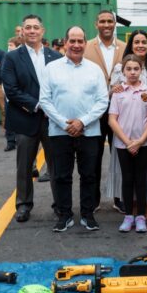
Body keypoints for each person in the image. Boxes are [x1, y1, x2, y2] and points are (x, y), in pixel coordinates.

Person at [39, 26, 108, 232]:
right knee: (61, 175)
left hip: (89, 131)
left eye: (80, 41)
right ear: (65, 42)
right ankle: (65, 215)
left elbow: (102, 101)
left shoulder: (95, 69)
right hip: (60, 132)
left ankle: (87, 215)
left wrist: (82, 122)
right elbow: (45, 100)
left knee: (89, 175)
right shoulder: (51, 68)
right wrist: (65, 123)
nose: (76, 45)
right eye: (72, 41)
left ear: (85, 44)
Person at [1, 14, 62, 223]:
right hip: (25, 119)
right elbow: (11, 89)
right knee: (25, 165)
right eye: (28, 27)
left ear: (42, 31)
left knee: (56, 164)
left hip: (52, 120)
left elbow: (62, 87)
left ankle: (60, 205)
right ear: (22, 31)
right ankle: (24, 205)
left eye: (36, 27)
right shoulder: (12, 57)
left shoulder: (56, 57)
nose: (32, 31)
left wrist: (53, 109)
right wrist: (38, 105)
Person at [108, 29, 147, 222]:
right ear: (131, 46)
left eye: (144, 42)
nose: (140, 45)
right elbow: (112, 92)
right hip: (125, 123)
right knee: (126, 168)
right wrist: (113, 89)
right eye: (136, 42)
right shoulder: (120, 68)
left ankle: (146, 205)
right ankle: (130, 205)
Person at [83, 10, 126, 210]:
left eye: (110, 21)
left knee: (120, 155)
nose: (107, 25)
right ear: (96, 24)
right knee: (93, 156)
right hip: (94, 110)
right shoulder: (85, 47)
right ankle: (93, 200)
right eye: (103, 21)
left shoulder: (125, 48)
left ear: (115, 23)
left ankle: (120, 198)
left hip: (120, 110)